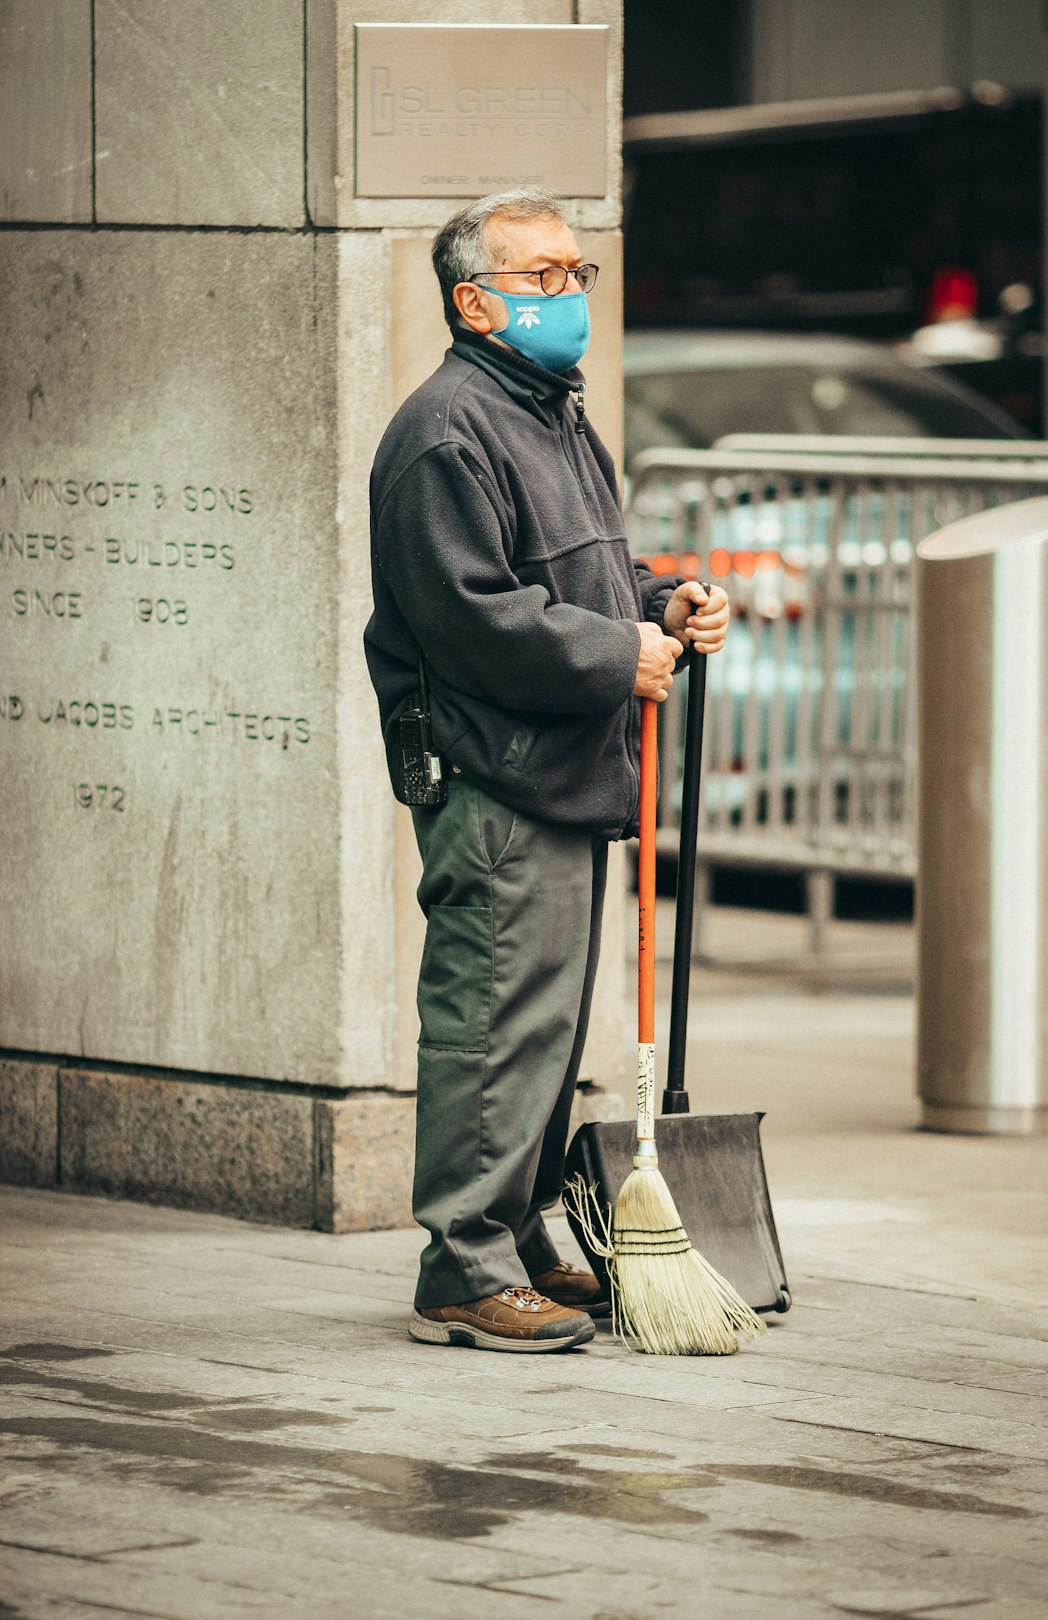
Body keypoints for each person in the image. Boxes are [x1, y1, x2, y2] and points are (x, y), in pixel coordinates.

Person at [364, 189, 730, 1353]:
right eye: (544, 279)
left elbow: (581, 574)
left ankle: (514, 1238)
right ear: (476, 302)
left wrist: (659, 599)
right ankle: (461, 1266)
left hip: (561, 767)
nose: (570, 296)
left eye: (579, 275)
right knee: (490, 1016)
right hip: (494, 774)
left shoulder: (553, 412)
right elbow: (472, 616)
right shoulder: (445, 430)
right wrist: (612, 649)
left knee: (542, 1029)